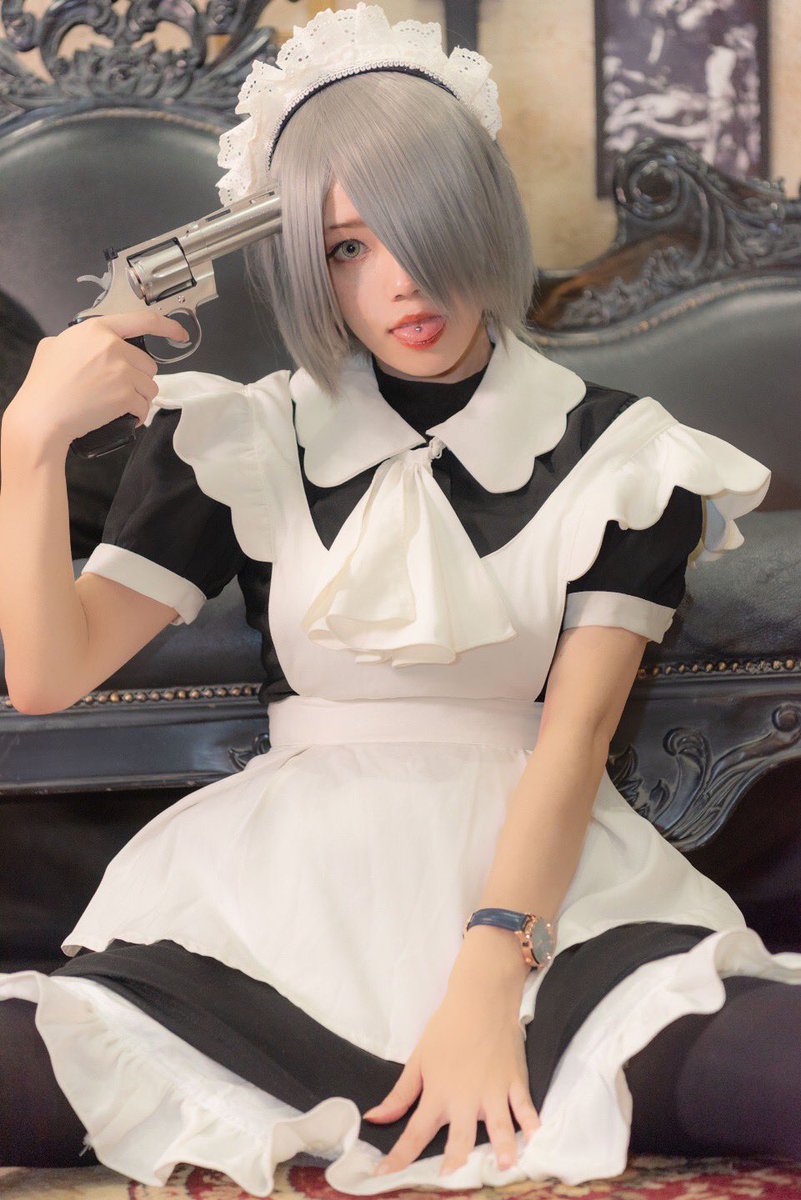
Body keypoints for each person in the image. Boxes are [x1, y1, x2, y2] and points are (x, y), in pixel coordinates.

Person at [0, 3, 799, 1193]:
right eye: (344, 250)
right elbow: (46, 675)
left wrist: (486, 980)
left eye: (421, 228)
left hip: (552, 915)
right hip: (268, 913)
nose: (401, 282)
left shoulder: (624, 454)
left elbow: (574, 738)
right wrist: (27, 445)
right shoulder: (243, 437)